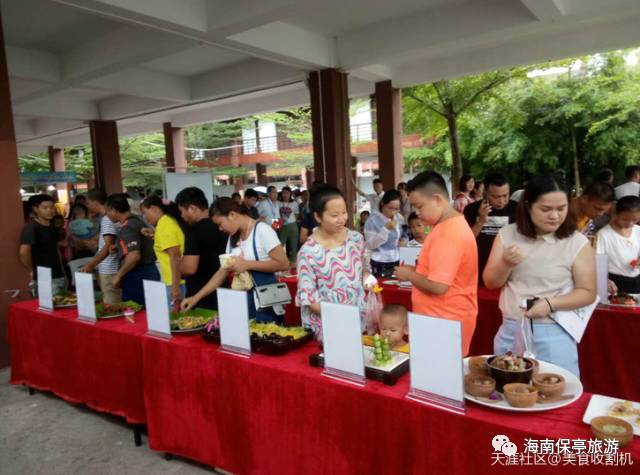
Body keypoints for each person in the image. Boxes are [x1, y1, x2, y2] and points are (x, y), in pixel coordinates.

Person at [483, 174, 596, 377]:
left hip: (554, 329)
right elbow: (491, 282)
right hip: (512, 326)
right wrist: (506, 263)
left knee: (554, 391)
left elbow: (587, 292)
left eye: (561, 208)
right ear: (528, 206)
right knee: (508, 392)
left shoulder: (576, 242)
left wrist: (550, 303)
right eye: (546, 209)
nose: (555, 216)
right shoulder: (508, 234)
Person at [395, 171, 478, 356]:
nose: (417, 212)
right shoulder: (445, 226)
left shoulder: (449, 232)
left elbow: (439, 286)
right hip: (440, 320)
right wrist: (417, 270)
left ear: (437, 199)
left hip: (444, 321)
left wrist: (409, 275)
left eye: (419, 206)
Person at [180, 197, 289, 322]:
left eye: (220, 224)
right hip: (243, 301)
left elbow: (283, 263)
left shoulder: (262, 230)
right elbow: (223, 271)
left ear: (232, 214)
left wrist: (247, 265)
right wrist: (196, 298)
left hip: (266, 300)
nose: (220, 229)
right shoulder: (234, 237)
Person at [296, 185, 370, 339]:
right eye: (334, 215)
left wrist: (367, 278)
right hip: (326, 325)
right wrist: (340, 317)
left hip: (358, 318)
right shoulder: (308, 252)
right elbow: (309, 298)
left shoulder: (356, 239)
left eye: (344, 212)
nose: (342, 219)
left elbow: (364, 268)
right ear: (318, 217)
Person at [175, 187, 228, 310]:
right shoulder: (223, 226)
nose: (182, 216)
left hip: (200, 295)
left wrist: (177, 263)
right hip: (224, 290)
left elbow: (190, 268)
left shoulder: (193, 231)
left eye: (182, 211)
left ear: (192, 208)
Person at [463, 173, 517, 285]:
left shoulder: (517, 209)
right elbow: (466, 242)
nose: (501, 201)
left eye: (505, 195)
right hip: (478, 270)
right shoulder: (471, 210)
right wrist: (481, 221)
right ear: (485, 194)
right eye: (496, 197)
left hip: (507, 271)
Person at [106, 193, 159, 306]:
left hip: (138, 275)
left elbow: (134, 256)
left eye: (107, 212)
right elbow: (139, 242)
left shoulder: (127, 227)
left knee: (135, 314)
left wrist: (118, 275)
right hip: (149, 272)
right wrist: (118, 246)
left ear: (114, 210)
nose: (107, 216)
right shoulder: (137, 220)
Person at [140, 195, 186, 307]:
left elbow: (175, 256)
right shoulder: (168, 221)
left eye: (145, 212)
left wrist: (175, 288)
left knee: (175, 321)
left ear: (154, 208)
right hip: (177, 281)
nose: (145, 217)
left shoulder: (164, 225)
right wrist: (154, 235)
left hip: (175, 282)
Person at [19, 194, 66, 294]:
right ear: (35, 209)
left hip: (59, 274)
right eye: (45, 208)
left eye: (52, 207)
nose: (50, 210)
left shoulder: (51, 226)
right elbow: (24, 252)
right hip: (44, 277)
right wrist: (31, 269)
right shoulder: (32, 227)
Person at [81, 189, 122, 304]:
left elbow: (107, 247)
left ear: (95, 203)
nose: (88, 206)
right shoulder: (111, 218)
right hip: (112, 267)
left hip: (110, 268)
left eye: (88, 203)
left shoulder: (107, 219)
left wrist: (91, 265)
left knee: (111, 305)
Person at [596, 196, 640, 294]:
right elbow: (598, 263)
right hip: (614, 282)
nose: (630, 223)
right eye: (625, 219)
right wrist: (604, 281)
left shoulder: (638, 231)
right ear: (616, 213)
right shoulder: (604, 234)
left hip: (637, 279)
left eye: (635, 220)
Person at [364, 189, 405, 278]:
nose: (393, 212)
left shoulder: (398, 218)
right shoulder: (372, 221)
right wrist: (385, 229)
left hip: (396, 260)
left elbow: (402, 235)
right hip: (379, 262)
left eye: (396, 209)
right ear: (382, 204)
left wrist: (402, 242)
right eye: (390, 208)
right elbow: (370, 245)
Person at [277, 186, 300, 264]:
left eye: (287, 193)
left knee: (293, 246)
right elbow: (276, 215)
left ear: (290, 194)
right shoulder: (278, 203)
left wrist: (291, 221)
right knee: (279, 244)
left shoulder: (294, 203)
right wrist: (277, 225)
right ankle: (280, 262)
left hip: (292, 225)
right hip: (281, 225)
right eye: (283, 193)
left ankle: (293, 262)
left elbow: (296, 215)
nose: (285, 195)